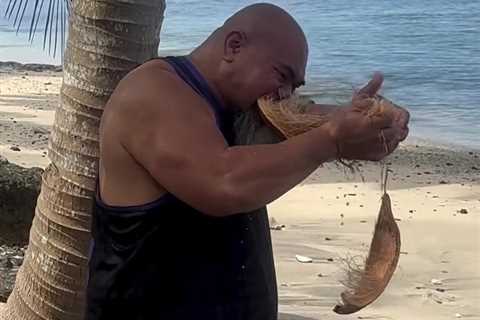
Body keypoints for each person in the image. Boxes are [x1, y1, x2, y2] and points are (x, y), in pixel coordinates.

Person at [85, 3, 409, 320]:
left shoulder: (241, 108)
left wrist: (373, 121)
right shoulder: (153, 91)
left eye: (293, 87)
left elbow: (301, 118)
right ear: (234, 46)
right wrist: (334, 140)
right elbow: (223, 182)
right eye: (282, 76)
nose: (284, 95)